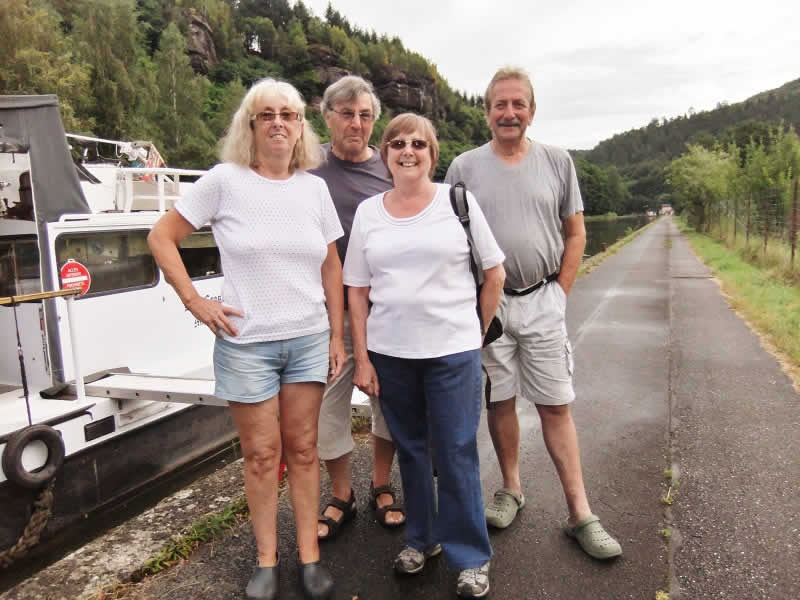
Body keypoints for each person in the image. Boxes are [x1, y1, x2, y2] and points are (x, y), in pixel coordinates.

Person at [147, 78, 344, 600]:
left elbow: (331, 265)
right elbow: (161, 237)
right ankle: (265, 560)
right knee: (260, 455)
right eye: (267, 114)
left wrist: (337, 335)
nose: (278, 123)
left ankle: (310, 557)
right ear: (250, 125)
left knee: (304, 450)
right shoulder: (223, 181)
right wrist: (195, 301)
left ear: (300, 126)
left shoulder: (314, 189)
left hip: (308, 338)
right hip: (246, 343)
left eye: (288, 114)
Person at [445, 67, 623, 560]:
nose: (509, 113)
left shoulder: (557, 161)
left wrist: (561, 292)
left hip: (544, 297)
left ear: (531, 111)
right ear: (487, 112)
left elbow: (576, 233)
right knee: (499, 401)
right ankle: (511, 489)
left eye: (518, 104)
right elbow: (450, 240)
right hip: (489, 305)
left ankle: (580, 513)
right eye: (500, 105)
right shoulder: (463, 167)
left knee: (556, 405)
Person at [343, 113, 506, 599]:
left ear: (432, 154)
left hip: (452, 352)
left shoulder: (457, 202)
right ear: (385, 154)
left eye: (418, 143)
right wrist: (363, 358)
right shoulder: (369, 212)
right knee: (412, 450)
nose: (407, 151)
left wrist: (474, 333)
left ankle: (470, 557)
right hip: (391, 355)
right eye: (397, 143)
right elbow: (357, 290)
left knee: (455, 452)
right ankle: (423, 538)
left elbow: (494, 274)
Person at [310, 75, 405, 540]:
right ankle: (341, 493)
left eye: (365, 115)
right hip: (328, 313)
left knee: (387, 401)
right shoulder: (307, 168)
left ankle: (382, 484)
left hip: (384, 310)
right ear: (327, 117)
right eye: (346, 114)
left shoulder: (390, 168)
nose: (356, 123)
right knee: (328, 407)